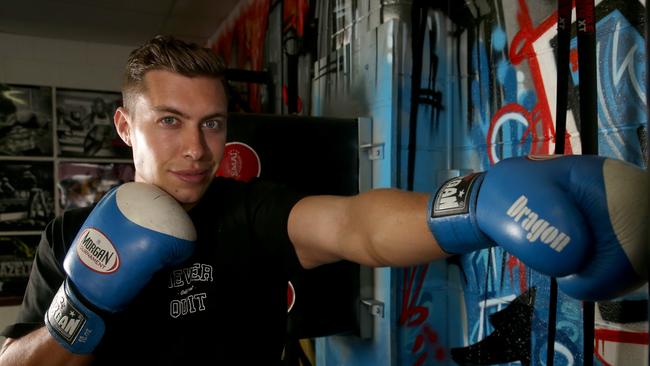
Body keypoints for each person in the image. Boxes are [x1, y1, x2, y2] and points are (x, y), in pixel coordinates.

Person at [0, 35, 646, 365]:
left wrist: (475, 207)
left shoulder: (247, 208)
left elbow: (355, 225)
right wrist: (78, 306)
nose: (197, 149)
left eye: (214, 123)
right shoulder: (70, 236)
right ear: (124, 127)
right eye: (169, 121)